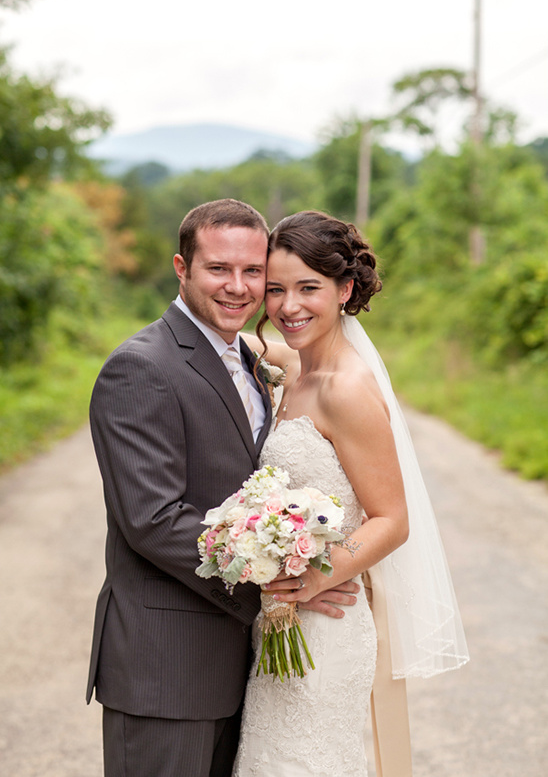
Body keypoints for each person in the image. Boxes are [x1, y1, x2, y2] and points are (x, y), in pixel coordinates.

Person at [86, 199, 360, 777]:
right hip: (169, 669)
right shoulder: (140, 367)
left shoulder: (254, 358)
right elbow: (154, 519)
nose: (238, 287)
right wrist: (280, 581)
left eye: (253, 271)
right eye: (218, 269)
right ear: (182, 268)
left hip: (250, 669)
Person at [233, 210, 469, 777]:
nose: (289, 307)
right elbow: (219, 344)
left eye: (308, 288)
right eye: (275, 290)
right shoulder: (293, 368)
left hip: (325, 622)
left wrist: (311, 579)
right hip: (283, 620)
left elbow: (392, 519)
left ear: (344, 290)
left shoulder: (346, 389)